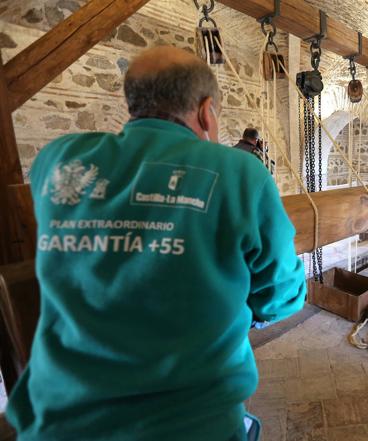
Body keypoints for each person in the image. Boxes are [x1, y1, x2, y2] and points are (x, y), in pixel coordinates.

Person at [6, 46, 306, 441]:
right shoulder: (239, 172)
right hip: (191, 425)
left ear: (131, 102)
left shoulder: (59, 160)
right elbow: (282, 295)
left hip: (58, 422)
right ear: (205, 111)